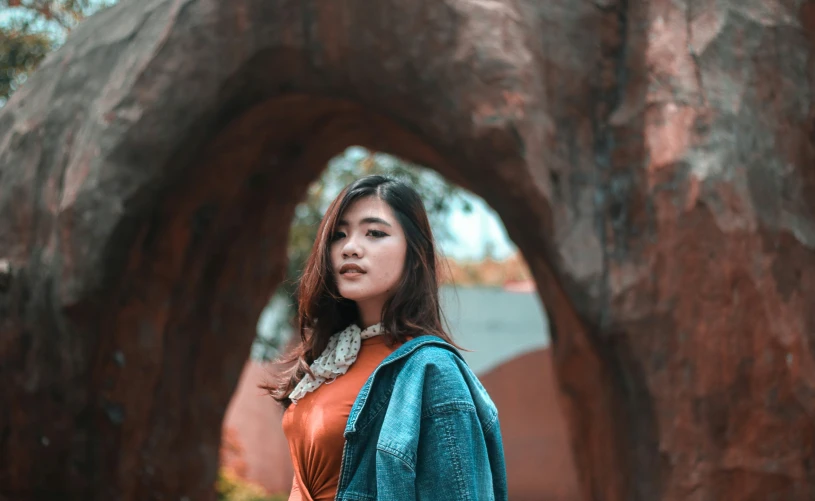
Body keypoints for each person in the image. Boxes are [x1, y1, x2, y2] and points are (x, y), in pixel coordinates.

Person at [263, 175, 507, 501]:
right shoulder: (330, 359)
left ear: (414, 253)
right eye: (339, 235)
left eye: (375, 233)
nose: (350, 248)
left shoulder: (432, 371)